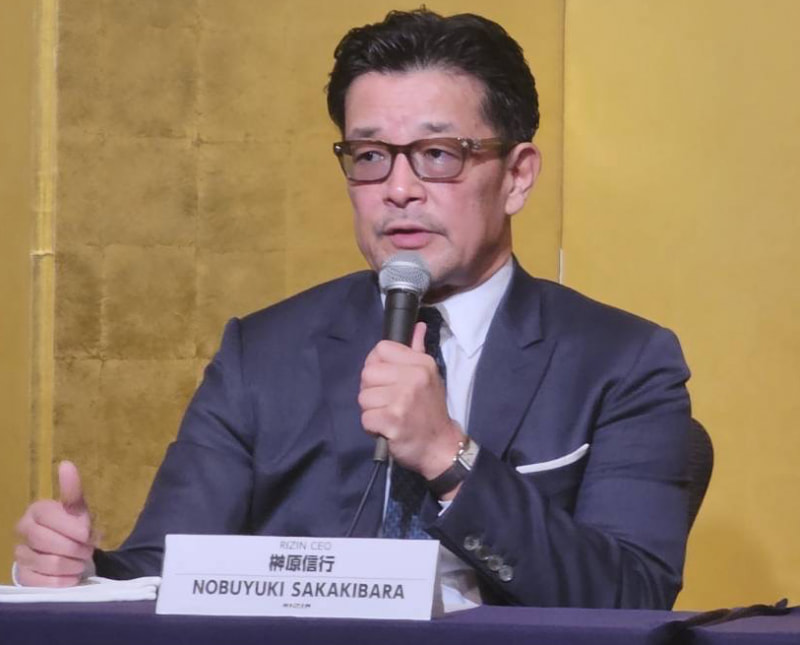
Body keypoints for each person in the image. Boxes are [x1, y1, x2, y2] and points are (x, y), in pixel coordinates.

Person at [13, 9, 692, 609]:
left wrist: (447, 453)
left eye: (436, 155)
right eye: (369, 156)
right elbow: (166, 570)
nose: (398, 189)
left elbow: (631, 596)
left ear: (517, 176)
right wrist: (78, 574)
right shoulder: (262, 353)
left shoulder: (623, 361)